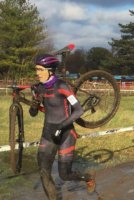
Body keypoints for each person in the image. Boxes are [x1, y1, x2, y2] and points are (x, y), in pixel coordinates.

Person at [29, 54, 95, 199]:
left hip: (66, 134)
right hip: (48, 134)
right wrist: (34, 105)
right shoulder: (38, 88)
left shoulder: (62, 86)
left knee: (64, 175)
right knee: (44, 172)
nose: (37, 73)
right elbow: (33, 113)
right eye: (36, 70)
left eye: (40, 70)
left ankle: (87, 178)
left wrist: (61, 126)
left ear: (50, 71)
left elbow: (79, 110)